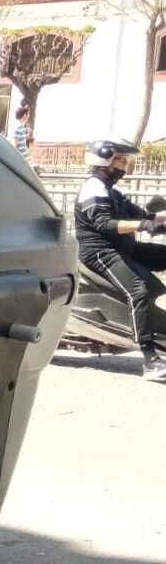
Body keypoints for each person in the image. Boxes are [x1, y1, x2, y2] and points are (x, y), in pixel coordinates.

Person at [73, 138, 166, 383]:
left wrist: (156, 221)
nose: (125, 164)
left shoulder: (112, 191)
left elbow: (146, 215)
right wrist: (143, 225)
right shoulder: (93, 188)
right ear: (105, 160)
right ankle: (150, 359)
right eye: (121, 159)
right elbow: (104, 224)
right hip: (99, 252)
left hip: (124, 248)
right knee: (139, 290)